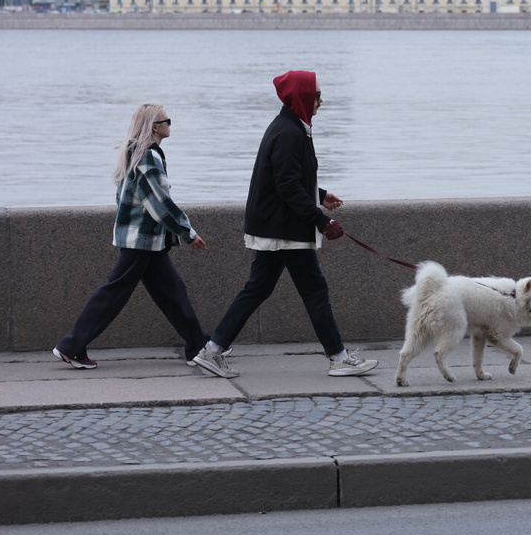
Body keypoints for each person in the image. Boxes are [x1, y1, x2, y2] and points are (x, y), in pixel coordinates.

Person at [194, 70, 378, 377]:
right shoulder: (289, 132)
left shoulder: (290, 127)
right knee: (313, 289)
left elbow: (287, 179)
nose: (321, 100)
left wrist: (320, 195)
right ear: (303, 97)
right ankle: (338, 358)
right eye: (317, 95)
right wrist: (322, 220)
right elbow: (288, 186)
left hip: (276, 226)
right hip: (284, 229)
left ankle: (212, 350)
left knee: (257, 289)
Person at [54, 104, 217, 374]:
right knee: (114, 293)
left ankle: (198, 346)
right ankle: (71, 346)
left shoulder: (133, 152)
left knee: (172, 291)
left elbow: (123, 198)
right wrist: (187, 232)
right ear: (155, 127)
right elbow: (160, 202)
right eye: (168, 120)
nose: (170, 124)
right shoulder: (148, 155)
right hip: (140, 239)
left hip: (145, 239)